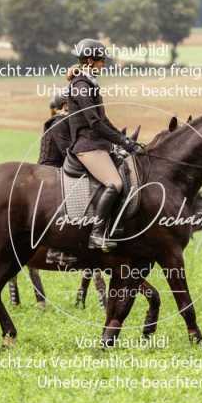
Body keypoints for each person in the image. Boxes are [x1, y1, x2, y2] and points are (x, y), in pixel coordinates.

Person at [66, 38, 139, 251]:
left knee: (128, 177)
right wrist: (122, 141)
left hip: (98, 144)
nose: (103, 65)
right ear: (89, 60)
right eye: (101, 61)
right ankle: (96, 233)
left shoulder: (90, 83)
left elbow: (104, 121)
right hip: (87, 146)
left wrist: (126, 141)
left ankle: (117, 227)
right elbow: (94, 123)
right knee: (114, 184)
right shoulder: (80, 86)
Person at [38, 90, 72, 167]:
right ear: (65, 106)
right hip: (50, 170)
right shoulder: (59, 123)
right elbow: (67, 152)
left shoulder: (63, 121)